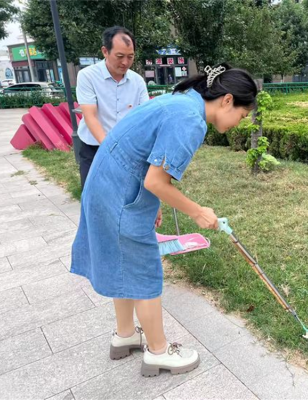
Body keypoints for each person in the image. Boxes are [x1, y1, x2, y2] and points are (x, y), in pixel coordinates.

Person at [71, 63, 258, 377]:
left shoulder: (181, 102)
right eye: (241, 115)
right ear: (227, 100)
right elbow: (156, 182)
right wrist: (198, 212)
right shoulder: (189, 119)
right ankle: (158, 352)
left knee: (122, 262)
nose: (239, 123)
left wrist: (151, 202)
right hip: (118, 193)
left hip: (106, 185)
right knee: (144, 269)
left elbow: (146, 161)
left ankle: (125, 334)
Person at [76, 26, 149, 188]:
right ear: (105, 51)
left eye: (130, 57)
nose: (125, 62)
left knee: (125, 199)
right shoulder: (87, 76)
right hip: (94, 148)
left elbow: (145, 117)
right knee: (93, 198)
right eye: (120, 56)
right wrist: (111, 148)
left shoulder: (137, 81)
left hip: (128, 150)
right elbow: (90, 116)